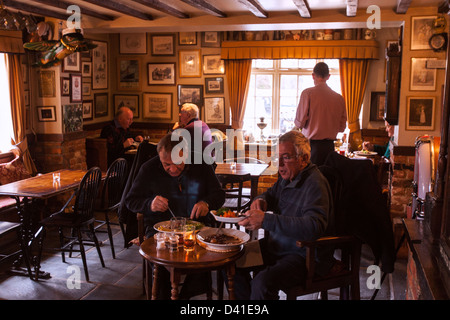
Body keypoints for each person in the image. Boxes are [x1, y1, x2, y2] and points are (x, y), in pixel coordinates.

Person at [235, 130, 335, 300]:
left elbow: (314, 227)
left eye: (286, 157)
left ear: (304, 159)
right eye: (277, 157)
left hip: (304, 256)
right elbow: (270, 194)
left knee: (262, 283)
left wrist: (267, 220)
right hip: (277, 247)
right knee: (232, 261)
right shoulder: (286, 178)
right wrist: (262, 200)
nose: (279, 164)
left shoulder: (315, 184)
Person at [124, 132, 225, 299]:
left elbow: (219, 195)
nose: (172, 169)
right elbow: (130, 201)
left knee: (204, 260)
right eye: (166, 164)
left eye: (178, 163)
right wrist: (149, 203)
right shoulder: (149, 169)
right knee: (161, 265)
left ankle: (183, 297)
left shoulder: (201, 163)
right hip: (160, 229)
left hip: (197, 227)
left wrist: (206, 203)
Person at [294, 62, 347, 165]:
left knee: (310, 179)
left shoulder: (307, 93)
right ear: (328, 76)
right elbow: (341, 128)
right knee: (326, 179)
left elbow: (299, 123)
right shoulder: (339, 98)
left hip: (311, 147)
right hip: (330, 148)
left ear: (313, 75)